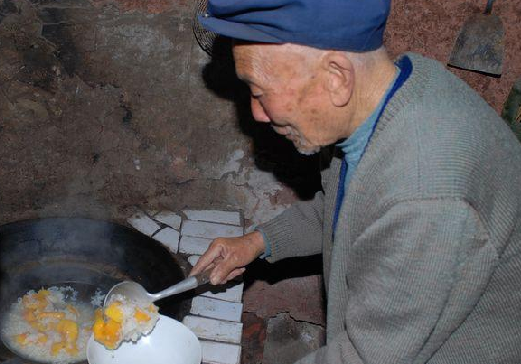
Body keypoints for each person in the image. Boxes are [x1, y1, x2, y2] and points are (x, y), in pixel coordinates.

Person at [189, 0, 521, 363]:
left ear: (336, 77)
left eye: (259, 91)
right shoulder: (384, 97)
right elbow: (343, 210)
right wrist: (257, 242)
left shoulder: (426, 194)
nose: (256, 112)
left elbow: (363, 357)